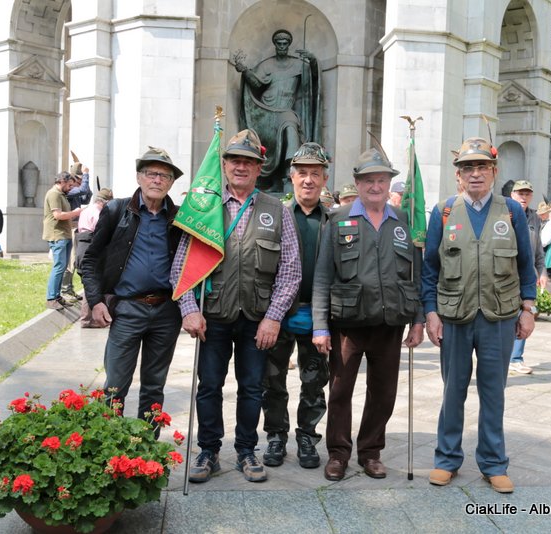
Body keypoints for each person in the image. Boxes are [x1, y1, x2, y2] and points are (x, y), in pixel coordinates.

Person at [172, 129, 301, 483]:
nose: (241, 167)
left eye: (249, 161)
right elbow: (181, 266)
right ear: (224, 165)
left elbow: (290, 270)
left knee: (252, 388)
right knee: (209, 386)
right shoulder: (205, 208)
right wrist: (189, 309)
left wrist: (273, 318)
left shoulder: (277, 210)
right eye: (234, 160)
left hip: (257, 319)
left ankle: (246, 450)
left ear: (259, 168)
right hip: (212, 316)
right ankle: (208, 451)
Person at [422, 137, 536, 494]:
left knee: (493, 393)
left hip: (498, 317)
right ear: (458, 175)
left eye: (482, 166)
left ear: (493, 171)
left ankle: (493, 463)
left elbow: (526, 264)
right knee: (452, 391)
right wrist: (430, 312)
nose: (475, 173)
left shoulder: (511, 211)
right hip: (454, 316)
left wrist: (528, 308)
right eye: (467, 167)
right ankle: (446, 460)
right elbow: (429, 268)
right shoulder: (443, 211)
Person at [312, 147, 425, 482]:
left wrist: (418, 320)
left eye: (382, 180)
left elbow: (415, 275)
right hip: (348, 324)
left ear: (389, 184)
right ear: (358, 183)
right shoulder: (338, 219)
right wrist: (320, 326)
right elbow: (322, 275)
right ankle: (338, 454)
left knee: (384, 393)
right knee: (340, 391)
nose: (376, 186)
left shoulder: (403, 220)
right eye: (368, 180)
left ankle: (371, 452)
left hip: (390, 324)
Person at [80, 148, 183, 421]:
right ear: (139, 177)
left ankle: (147, 442)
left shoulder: (179, 218)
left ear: (171, 182)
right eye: (151, 173)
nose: (157, 180)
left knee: (154, 387)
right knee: (114, 387)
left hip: (166, 311)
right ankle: (110, 442)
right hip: (127, 309)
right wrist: (96, 301)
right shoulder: (117, 210)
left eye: (165, 176)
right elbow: (90, 260)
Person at [261, 142, 331, 470]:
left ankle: (307, 436)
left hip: (317, 316)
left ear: (325, 179)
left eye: (315, 173)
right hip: (279, 314)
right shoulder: (275, 216)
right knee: (272, 381)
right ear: (291, 177)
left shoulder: (334, 220)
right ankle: (276, 436)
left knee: (314, 382)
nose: (308, 180)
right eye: (302, 173)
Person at [233, 30, 320, 192]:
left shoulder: (299, 65)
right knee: (275, 135)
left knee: (290, 126)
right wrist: (244, 70)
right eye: (279, 44)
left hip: (286, 111)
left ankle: (288, 174)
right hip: (265, 111)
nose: (282, 46)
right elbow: (257, 84)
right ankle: (275, 179)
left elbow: (313, 80)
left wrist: (313, 61)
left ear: (288, 45)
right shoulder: (267, 65)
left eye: (284, 44)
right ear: (275, 45)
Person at [508, 180, 547, 375]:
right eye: (520, 193)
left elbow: (538, 248)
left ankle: (516, 358)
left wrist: (542, 271)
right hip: (506, 274)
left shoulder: (534, 218)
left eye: (527, 194)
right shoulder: (503, 213)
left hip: (526, 275)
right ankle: (505, 355)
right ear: (512, 195)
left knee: (526, 312)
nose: (523, 197)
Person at [43, 172, 82, 309]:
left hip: (64, 235)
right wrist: (76, 212)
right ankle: (51, 298)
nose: (71, 188)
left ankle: (57, 296)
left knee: (63, 267)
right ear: (62, 181)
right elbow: (58, 215)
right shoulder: (54, 194)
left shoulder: (61, 195)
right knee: (59, 267)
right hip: (57, 235)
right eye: (69, 185)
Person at [76, 188, 113, 328]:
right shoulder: (98, 214)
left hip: (81, 245)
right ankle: (87, 319)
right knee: (91, 284)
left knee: (89, 283)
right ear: (105, 202)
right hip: (90, 246)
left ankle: (88, 319)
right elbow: (101, 233)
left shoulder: (86, 210)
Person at [63, 163, 91, 300]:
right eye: (78, 179)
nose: (81, 182)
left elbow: (86, 197)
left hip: (76, 228)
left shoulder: (76, 191)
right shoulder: (69, 191)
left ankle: (69, 288)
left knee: (74, 260)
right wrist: (86, 175)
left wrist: (86, 181)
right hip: (69, 228)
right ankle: (65, 290)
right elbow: (83, 190)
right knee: (69, 261)